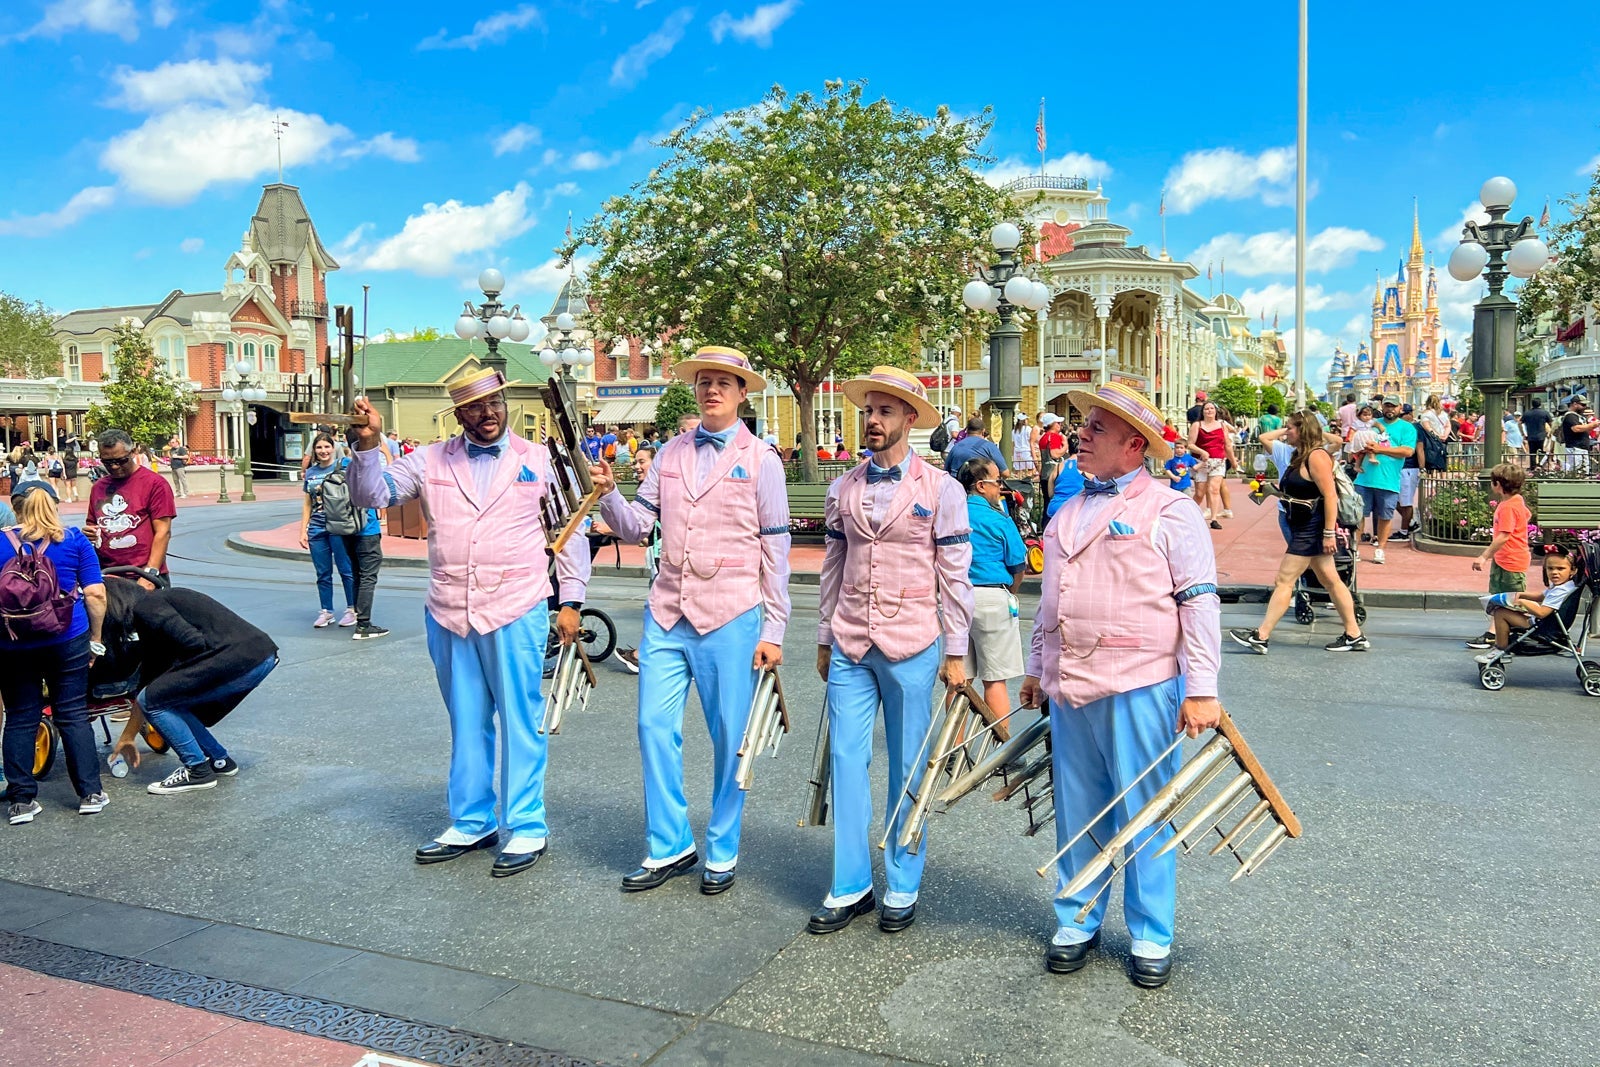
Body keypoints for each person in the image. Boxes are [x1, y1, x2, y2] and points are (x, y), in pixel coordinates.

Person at [346, 368, 592, 878]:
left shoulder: (539, 460)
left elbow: (569, 529)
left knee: (521, 719)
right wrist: (368, 445)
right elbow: (373, 496)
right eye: (475, 408)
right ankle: (472, 820)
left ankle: (526, 825)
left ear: (507, 405)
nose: (488, 415)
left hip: (516, 605)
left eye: (495, 405)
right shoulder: (431, 459)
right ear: (458, 415)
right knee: (466, 719)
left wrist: (572, 600)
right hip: (449, 610)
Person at [1018, 382, 1222, 988]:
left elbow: (1199, 602)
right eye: (1085, 425)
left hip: (1140, 681)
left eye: (1097, 428)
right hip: (1070, 684)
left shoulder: (1170, 510)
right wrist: (1036, 666)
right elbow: (1048, 600)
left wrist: (1202, 686)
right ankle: (1076, 919)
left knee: (1145, 811)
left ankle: (1151, 932)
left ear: (1135, 446)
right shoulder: (1068, 510)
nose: (1082, 433)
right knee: (1078, 808)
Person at [589, 347, 789, 895]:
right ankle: (670, 843)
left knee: (730, 737)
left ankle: (722, 848)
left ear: (742, 392)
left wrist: (774, 628)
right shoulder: (669, 454)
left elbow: (775, 547)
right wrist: (610, 497)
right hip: (668, 611)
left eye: (724, 382)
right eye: (704, 381)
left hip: (732, 613)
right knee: (652, 725)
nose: (712, 390)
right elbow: (637, 528)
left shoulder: (762, 459)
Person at [811, 366, 972, 936]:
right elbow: (833, 565)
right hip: (853, 638)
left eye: (884, 412)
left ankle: (902, 881)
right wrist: (825, 633)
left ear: (909, 419)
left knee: (908, 764)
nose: (873, 421)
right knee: (848, 762)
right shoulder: (844, 486)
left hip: (913, 642)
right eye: (868, 411)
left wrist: (957, 649)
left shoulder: (942, 489)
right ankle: (850, 882)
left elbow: (954, 574)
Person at [105, 580, 278, 795]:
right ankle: (220, 760)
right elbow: (147, 688)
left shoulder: (148, 606)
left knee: (160, 699)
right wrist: (127, 737)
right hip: (260, 656)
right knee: (167, 699)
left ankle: (196, 770)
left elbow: (192, 642)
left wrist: (178, 678)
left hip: (240, 658)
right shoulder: (155, 606)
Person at [1, 482, 109, 824]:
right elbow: (95, 594)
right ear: (55, 504)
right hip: (67, 636)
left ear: (15, 507)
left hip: (11, 642)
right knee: (72, 712)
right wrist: (95, 638)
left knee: (20, 715)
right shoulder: (74, 539)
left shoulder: (0, 540)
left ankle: (21, 801)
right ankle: (90, 793)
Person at [1228, 413, 1369, 655]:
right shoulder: (1298, 456)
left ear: (1302, 430)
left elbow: (1330, 496)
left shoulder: (1316, 457)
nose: (1286, 431)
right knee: (1331, 580)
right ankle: (1354, 634)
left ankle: (1261, 636)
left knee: (1284, 580)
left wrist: (1327, 534)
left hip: (1311, 529)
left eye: (1290, 428)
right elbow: (1297, 490)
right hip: (1302, 524)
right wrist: (1269, 492)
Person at [957, 457, 1026, 728]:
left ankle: (952, 749)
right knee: (994, 678)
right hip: (993, 596)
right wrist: (1011, 590)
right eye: (997, 482)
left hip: (957, 598)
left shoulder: (952, 514)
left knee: (958, 676)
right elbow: (1018, 562)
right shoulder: (998, 518)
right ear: (982, 486)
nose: (1000, 488)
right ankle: (999, 751)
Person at [86, 429, 176, 587]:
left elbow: (163, 532)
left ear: (133, 452)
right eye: (107, 462)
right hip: (108, 574)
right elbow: (93, 526)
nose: (114, 466)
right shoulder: (98, 487)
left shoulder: (154, 484)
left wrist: (150, 573)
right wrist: (88, 533)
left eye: (121, 460)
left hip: (143, 574)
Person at [1474, 547, 1579, 666]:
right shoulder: (1565, 586)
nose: (1554, 572)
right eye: (1550, 568)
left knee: (1500, 613)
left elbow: (1541, 612)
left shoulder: (1560, 591)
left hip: (1543, 627)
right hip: (1545, 623)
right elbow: (1541, 596)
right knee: (1504, 611)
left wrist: (1523, 602)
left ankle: (1500, 648)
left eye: (1560, 569)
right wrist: (1521, 594)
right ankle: (1501, 645)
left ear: (1573, 571)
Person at [1466, 464, 1533, 650]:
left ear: (1498, 484)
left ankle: (1513, 632)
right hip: (1507, 558)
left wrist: (1483, 556)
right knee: (1499, 598)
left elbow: (1504, 535)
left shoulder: (1507, 507)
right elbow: (1527, 514)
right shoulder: (1517, 501)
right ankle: (1496, 632)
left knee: (1512, 600)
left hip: (1511, 559)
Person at [610, 444, 660, 676]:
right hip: (656, 554)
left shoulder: (662, 486)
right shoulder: (646, 490)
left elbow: (642, 529)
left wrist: (608, 529)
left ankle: (642, 655)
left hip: (665, 559)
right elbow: (639, 530)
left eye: (642, 462)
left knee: (658, 608)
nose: (637, 466)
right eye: (635, 462)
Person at [299, 433, 358, 630]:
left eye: (327, 447)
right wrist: (303, 530)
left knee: (346, 569)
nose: (323, 451)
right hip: (317, 526)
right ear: (314, 450)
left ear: (334, 448)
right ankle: (326, 611)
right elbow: (307, 502)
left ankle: (352, 609)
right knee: (322, 572)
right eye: (319, 448)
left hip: (339, 524)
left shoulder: (344, 466)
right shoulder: (311, 473)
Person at [1352, 396, 1418, 564]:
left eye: (1393, 406)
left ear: (1400, 408)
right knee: (1358, 515)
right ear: (1382, 406)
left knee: (1385, 516)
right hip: (1364, 478)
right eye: (1387, 406)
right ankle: (1354, 548)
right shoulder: (1373, 423)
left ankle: (1380, 548)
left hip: (1388, 480)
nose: (1390, 409)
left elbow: (1407, 451)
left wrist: (1379, 449)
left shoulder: (1407, 428)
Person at [339, 429, 389, 641]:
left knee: (357, 573)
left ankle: (358, 615)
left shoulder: (339, 466)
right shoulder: (366, 467)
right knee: (368, 575)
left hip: (345, 528)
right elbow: (382, 496)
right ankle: (364, 624)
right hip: (367, 528)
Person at [1186, 401, 1234, 528]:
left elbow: (1227, 445)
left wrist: (1233, 461)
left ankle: (1213, 519)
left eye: (1212, 408)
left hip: (1218, 461)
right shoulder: (1197, 425)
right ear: (1203, 411)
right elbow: (1190, 444)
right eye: (1206, 409)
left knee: (1214, 490)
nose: (1209, 411)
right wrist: (1202, 451)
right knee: (1200, 493)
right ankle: (1190, 514)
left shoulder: (1222, 425)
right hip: (1201, 462)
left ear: (1215, 411)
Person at [1559, 396, 1597, 472]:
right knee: (1577, 470)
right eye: (1583, 405)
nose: (1585, 407)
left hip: (1582, 447)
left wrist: (1591, 427)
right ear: (1575, 404)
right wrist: (1591, 425)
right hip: (1575, 448)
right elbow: (1576, 428)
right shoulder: (1570, 416)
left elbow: (1584, 430)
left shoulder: (1580, 416)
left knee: (1584, 471)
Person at [1038, 413, 1065, 497]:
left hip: (1045, 473)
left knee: (1047, 502)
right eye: (1058, 422)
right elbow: (1055, 454)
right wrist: (1065, 446)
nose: (1060, 425)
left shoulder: (1044, 437)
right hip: (1054, 474)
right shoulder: (1054, 436)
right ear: (1052, 424)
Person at [1521, 398, 1553, 469]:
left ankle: (1533, 467)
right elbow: (1551, 423)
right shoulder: (1544, 413)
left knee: (1532, 453)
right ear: (1540, 404)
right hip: (1542, 436)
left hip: (1531, 436)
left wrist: (1523, 433)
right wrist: (1549, 432)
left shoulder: (1527, 413)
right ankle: (1541, 466)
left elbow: (1520, 423)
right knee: (1542, 452)